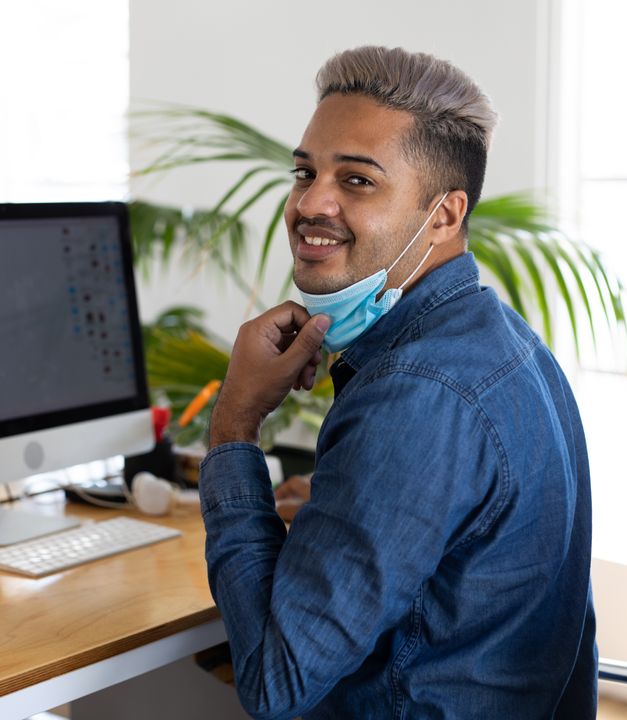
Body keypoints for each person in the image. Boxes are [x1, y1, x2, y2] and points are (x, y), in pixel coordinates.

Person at [198, 46, 597, 719]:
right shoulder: (499, 336)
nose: (308, 203)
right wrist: (338, 502)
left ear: (443, 215)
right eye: (305, 172)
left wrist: (234, 422)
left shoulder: (418, 392)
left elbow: (274, 685)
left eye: (356, 181)